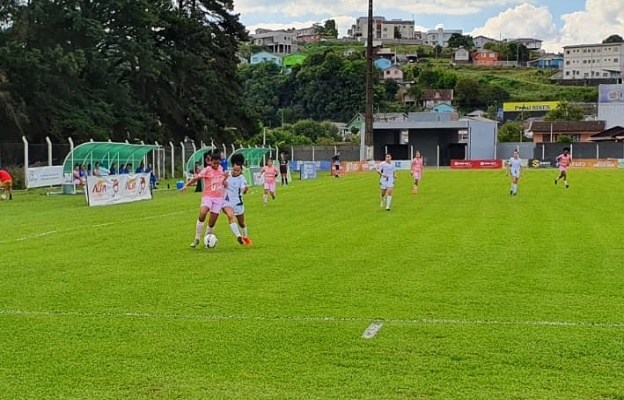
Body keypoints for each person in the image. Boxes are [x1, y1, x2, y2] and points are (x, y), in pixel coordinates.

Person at [181, 151, 228, 248]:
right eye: (214, 163)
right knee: (203, 212)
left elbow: (222, 182)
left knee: (212, 221)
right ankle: (197, 238)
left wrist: (225, 179)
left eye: (218, 163)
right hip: (208, 196)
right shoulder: (207, 170)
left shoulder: (221, 169)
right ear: (211, 162)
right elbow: (196, 178)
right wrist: (186, 185)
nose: (216, 165)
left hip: (218, 198)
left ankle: (207, 239)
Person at [222, 153, 252, 246]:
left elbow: (243, 190)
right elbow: (220, 183)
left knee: (242, 223)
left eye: (237, 170)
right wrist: (224, 180)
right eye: (234, 169)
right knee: (230, 217)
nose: (235, 171)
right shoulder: (227, 174)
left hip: (238, 203)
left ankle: (245, 237)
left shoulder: (242, 179)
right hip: (226, 202)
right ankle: (238, 236)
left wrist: (245, 189)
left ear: (241, 170)